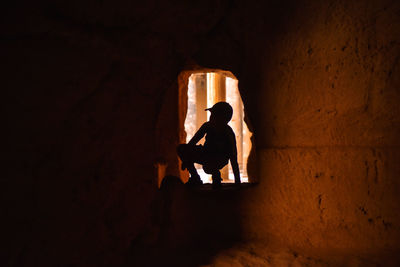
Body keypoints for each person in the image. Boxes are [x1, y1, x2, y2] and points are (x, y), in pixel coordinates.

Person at [177, 101, 241, 188]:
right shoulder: (207, 126)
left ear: (222, 118)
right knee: (182, 148)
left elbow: (233, 157)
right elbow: (192, 142)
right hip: (206, 154)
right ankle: (195, 178)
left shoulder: (228, 133)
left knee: (210, 166)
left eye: (214, 115)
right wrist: (186, 156)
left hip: (218, 159)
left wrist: (237, 181)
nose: (211, 117)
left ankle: (216, 175)